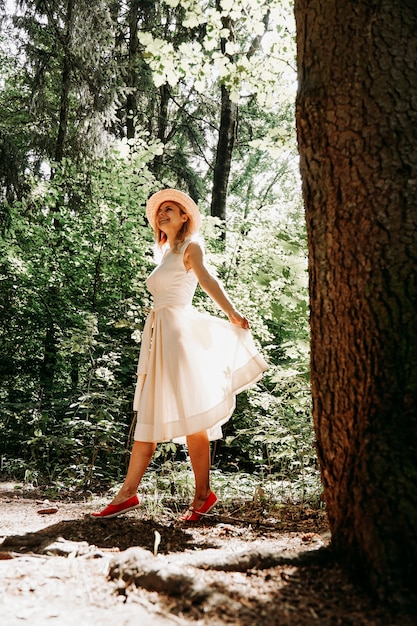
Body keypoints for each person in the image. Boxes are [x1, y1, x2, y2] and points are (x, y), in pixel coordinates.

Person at [91, 188, 268, 521]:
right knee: (155, 414)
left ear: (184, 217)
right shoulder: (165, 254)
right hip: (159, 335)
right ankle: (135, 493)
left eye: (169, 209)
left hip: (178, 336)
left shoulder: (191, 247)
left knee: (191, 417)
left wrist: (231, 313)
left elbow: (206, 279)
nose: (162, 213)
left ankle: (196, 495)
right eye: (159, 211)